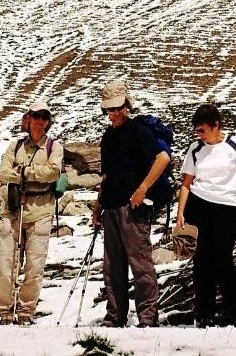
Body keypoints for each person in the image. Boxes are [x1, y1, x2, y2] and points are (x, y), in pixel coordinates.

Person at [174, 103, 236, 327]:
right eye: (197, 131)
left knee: (223, 258)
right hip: (199, 204)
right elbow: (186, 183)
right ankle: (204, 313)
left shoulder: (235, 144)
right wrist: (180, 213)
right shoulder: (195, 149)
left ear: (216, 125)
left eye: (202, 130)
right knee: (202, 259)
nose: (199, 135)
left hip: (225, 206)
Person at [91, 80, 168, 328]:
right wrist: (97, 205)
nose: (114, 113)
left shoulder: (138, 131)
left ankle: (147, 317)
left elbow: (163, 158)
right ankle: (115, 316)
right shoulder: (107, 137)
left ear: (127, 105)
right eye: (109, 110)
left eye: (118, 108)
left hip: (134, 207)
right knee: (112, 267)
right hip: (111, 206)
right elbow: (107, 175)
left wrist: (142, 188)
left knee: (140, 263)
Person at [0, 101, 65, 325]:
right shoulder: (15, 146)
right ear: (28, 118)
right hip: (14, 210)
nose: (39, 120)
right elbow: (4, 173)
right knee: (7, 264)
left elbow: (53, 172)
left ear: (48, 121)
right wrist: (31, 174)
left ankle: (26, 312)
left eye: (44, 116)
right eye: (35, 115)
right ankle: (6, 312)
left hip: (41, 210)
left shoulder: (54, 147)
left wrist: (24, 172)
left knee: (34, 266)